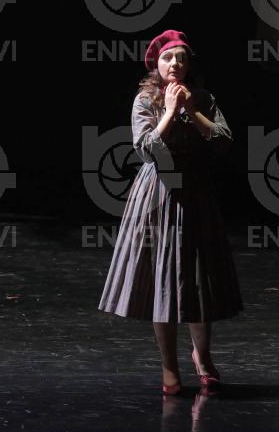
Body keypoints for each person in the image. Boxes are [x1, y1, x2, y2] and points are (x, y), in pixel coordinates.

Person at [97, 28, 243, 394]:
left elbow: (224, 140)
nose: (175, 63)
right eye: (167, 58)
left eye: (181, 58)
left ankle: (202, 357)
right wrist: (171, 111)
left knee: (199, 279)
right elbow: (146, 149)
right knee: (161, 280)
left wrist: (191, 109)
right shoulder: (145, 100)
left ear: (189, 64)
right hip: (158, 192)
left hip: (195, 192)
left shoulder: (203, 98)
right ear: (156, 64)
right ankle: (169, 365)